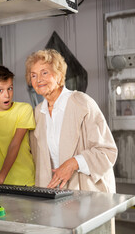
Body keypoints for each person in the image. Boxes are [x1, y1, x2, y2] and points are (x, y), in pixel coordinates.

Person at [26, 49, 117, 192]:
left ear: (59, 75)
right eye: (33, 75)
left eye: (44, 72)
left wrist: (73, 163)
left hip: (87, 194)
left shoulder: (82, 103)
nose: (38, 80)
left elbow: (107, 152)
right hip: (54, 194)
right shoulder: (38, 112)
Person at [0, 66, 36, 187]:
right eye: (0, 90)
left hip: (22, 181)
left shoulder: (24, 109)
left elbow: (14, 145)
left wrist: (0, 179)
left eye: (10, 88)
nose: (7, 95)